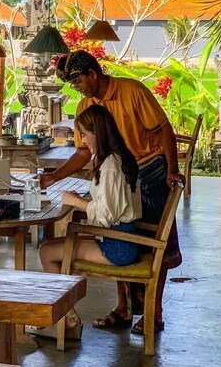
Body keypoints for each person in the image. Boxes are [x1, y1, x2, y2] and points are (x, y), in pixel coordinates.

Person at [39, 50, 183, 336]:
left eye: (78, 80)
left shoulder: (131, 90)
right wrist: (54, 176)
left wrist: (171, 170)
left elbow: (164, 128)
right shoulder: (84, 108)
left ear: (93, 73)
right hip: (121, 168)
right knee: (120, 230)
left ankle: (154, 313)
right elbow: (83, 152)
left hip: (150, 168)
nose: (75, 87)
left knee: (157, 245)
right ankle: (124, 308)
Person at [39, 105, 143, 337]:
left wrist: (76, 202)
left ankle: (68, 319)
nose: (83, 140)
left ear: (98, 133)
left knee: (47, 253)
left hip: (117, 246)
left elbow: (106, 215)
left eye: (84, 134)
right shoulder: (118, 159)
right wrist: (83, 200)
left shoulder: (110, 167)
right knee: (49, 247)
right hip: (119, 238)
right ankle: (66, 316)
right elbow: (112, 204)